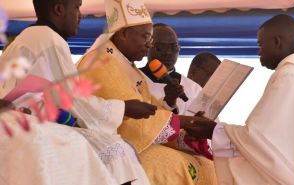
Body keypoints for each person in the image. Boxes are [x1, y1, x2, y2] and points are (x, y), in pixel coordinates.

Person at [183, 14, 294, 185]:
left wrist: (213, 130)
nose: (259, 51)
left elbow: (259, 139)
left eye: (260, 44)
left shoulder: (289, 77)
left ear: (277, 42)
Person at [0, 0, 155, 184]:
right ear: (58, 9)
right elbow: (74, 100)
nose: (80, 15)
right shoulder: (51, 40)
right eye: (76, 7)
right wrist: (124, 107)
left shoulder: (25, 37)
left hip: (15, 124)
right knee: (116, 149)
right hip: (26, 124)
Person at [77, 0, 217, 184]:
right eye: (145, 37)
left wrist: (180, 123)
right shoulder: (101, 63)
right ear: (125, 34)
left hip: (134, 144)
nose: (149, 45)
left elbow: (149, 109)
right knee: (176, 165)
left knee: (206, 165)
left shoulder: (124, 64)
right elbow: (133, 124)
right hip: (108, 150)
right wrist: (183, 121)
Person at [140, 23, 202, 115]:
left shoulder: (194, 89)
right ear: (147, 47)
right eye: (160, 47)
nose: (168, 53)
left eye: (174, 47)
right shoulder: (131, 76)